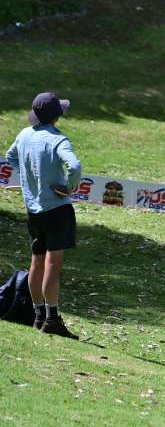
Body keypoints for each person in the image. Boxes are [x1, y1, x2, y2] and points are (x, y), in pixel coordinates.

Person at [5, 92, 82, 339]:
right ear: (57, 117)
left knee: (36, 260)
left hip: (33, 210)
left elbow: (10, 157)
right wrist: (70, 186)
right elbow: (75, 166)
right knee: (52, 263)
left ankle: (37, 314)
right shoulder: (58, 140)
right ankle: (52, 318)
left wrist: (29, 175)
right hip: (57, 209)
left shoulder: (24, 135)